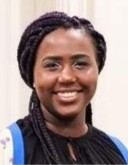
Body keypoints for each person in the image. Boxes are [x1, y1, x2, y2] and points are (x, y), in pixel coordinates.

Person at [0, 11, 128, 164]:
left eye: (80, 64)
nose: (67, 77)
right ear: (32, 74)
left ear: (97, 69)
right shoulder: (7, 149)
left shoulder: (117, 152)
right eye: (52, 65)